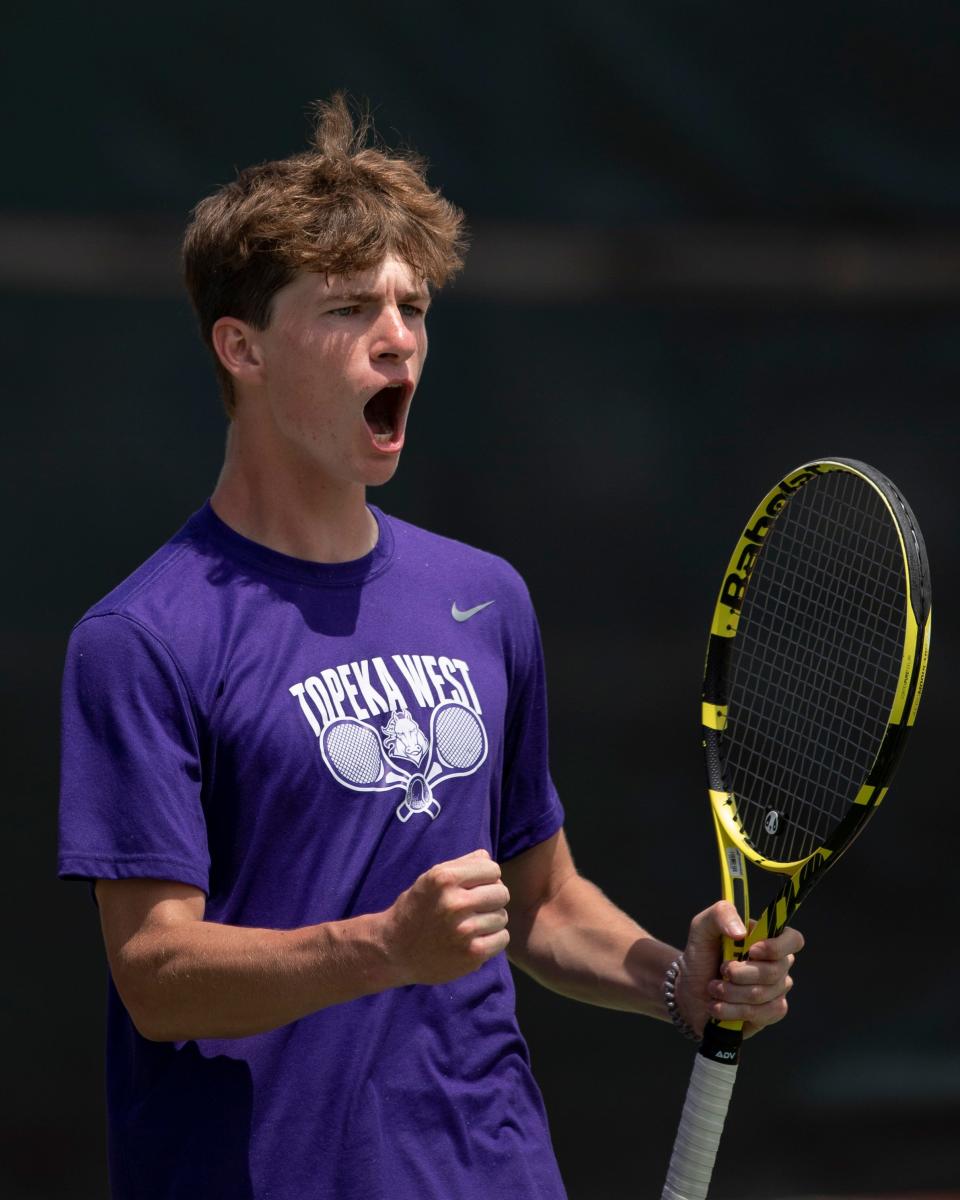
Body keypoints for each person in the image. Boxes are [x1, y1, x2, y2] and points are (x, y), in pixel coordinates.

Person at [58, 95, 803, 1200]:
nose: (398, 334)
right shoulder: (141, 639)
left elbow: (541, 899)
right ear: (242, 346)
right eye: (352, 306)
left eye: (412, 304)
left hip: (489, 1170)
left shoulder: (483, 597)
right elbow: (158, 979)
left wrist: (669, 981)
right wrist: (386, 949)